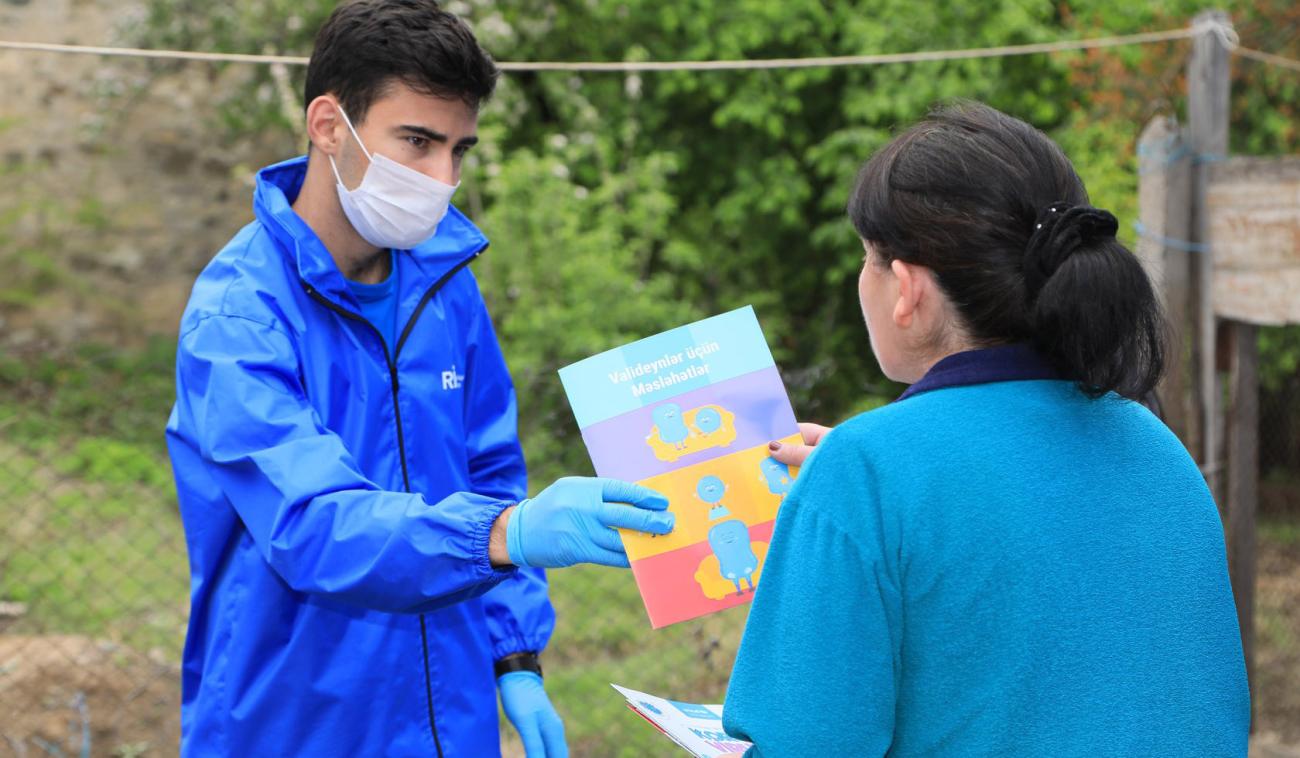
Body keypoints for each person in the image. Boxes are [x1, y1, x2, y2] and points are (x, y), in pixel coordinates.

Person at [164, 2, 674, 755]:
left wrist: (513, 655)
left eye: (459, 149)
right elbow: (314, 527)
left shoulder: (444, 286)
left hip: (447, 716)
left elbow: (488, 467)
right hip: (291, 722)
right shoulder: (238, 321)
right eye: (417, 143)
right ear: (329, 126)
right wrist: (510, 534)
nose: (443, 179)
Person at [724, 102, 1249, 755]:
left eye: (866, 257)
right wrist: (878, 487)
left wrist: (867, 488)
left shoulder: (866, 475)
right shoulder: (1157, 448)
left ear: (906, 288)